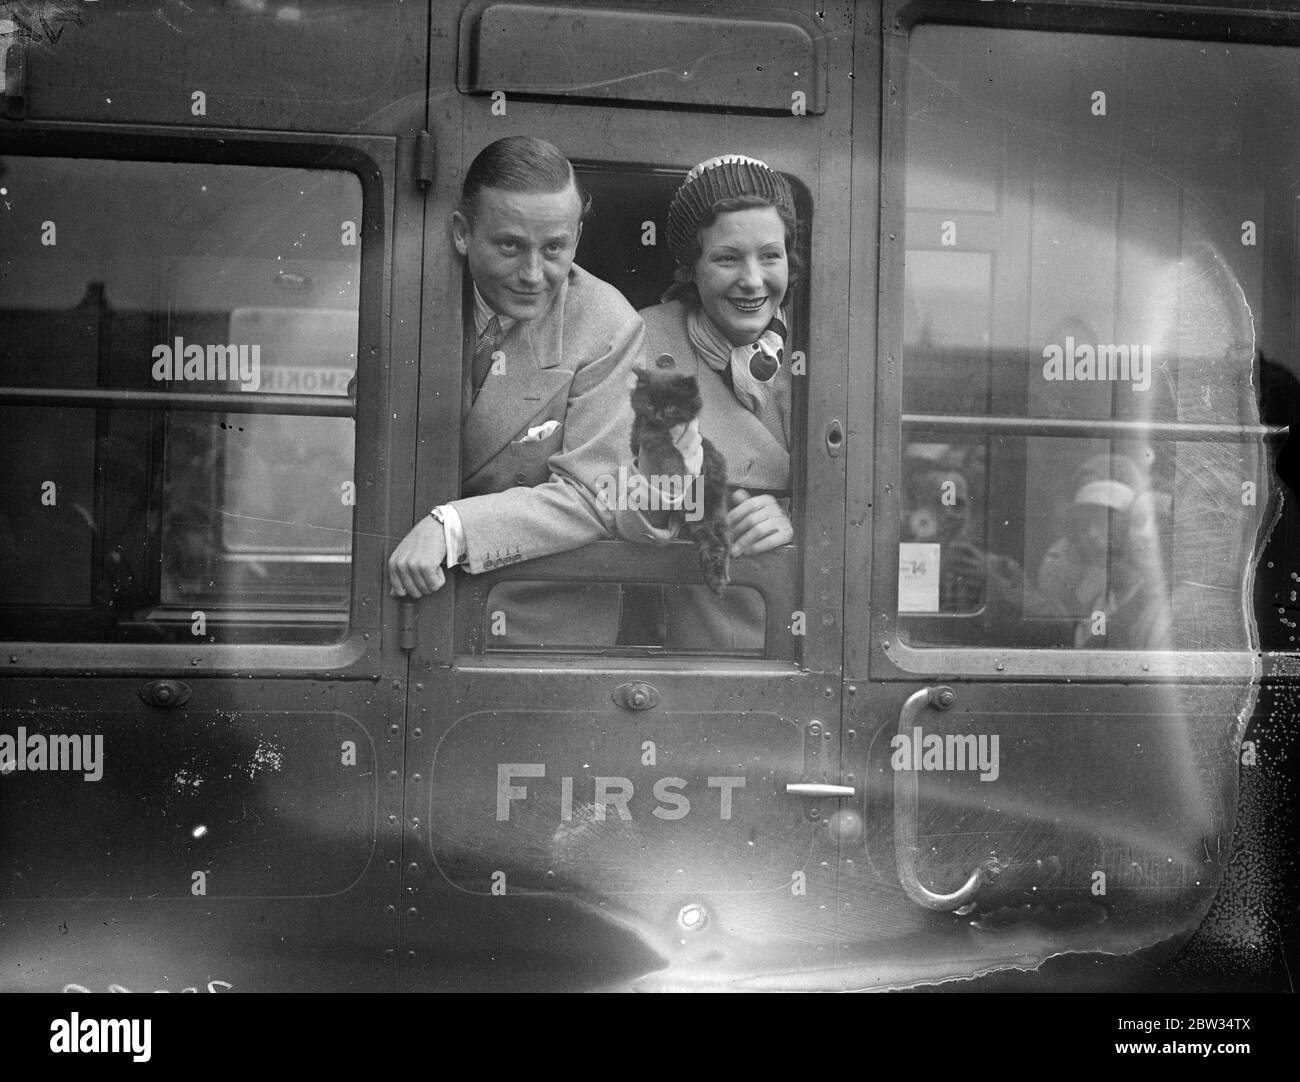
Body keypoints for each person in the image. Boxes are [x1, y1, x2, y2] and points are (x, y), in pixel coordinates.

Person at [386, 136, 694, 646]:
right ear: (462, 233)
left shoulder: (607, 323)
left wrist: (452, 527)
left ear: (576, 235)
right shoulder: (411, 295)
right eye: (510, 246)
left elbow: (594, 494)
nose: (533, 274)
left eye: (555, 248)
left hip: (539, 628)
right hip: (402, 605)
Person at [633, 154, 799, 651]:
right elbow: (605, 492)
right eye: (728, 258)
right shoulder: (640, 339)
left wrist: (799, 516)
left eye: (770, 256)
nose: (753, 280)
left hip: (808, 644)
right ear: (690, 264)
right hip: (693, 646)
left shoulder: (829, 342)